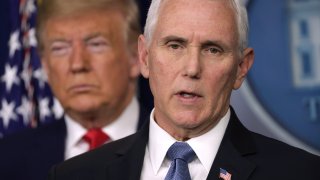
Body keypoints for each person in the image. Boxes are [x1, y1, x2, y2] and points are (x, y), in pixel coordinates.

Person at [47, 0, 320, 179]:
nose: (191, 68)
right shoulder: (74, 175)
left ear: (241, 68)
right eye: (174, 46)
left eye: (212, 50)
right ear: (144, 57)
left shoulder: (301, 173)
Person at [0, 0, 149, 180]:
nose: (77, 64)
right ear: (45, 65)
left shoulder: (177, 146)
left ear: (136, 57)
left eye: (96, 44)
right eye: (60, 48)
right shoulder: (7, 160)